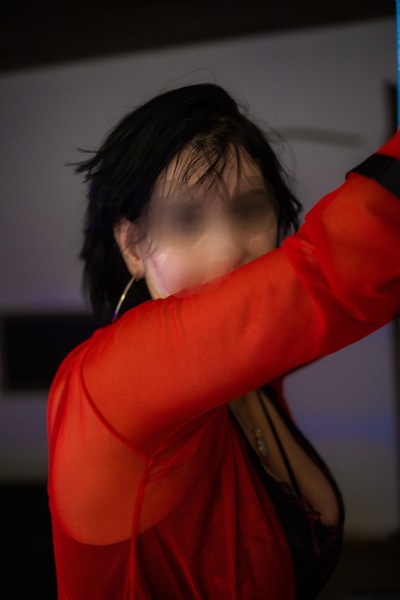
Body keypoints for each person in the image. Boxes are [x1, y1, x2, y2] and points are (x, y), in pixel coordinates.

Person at [47, 83, 400, 600]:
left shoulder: (254, 376)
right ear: (132, 246)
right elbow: (338, 270)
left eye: (249, 210)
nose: (227, 250)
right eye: (185, 218)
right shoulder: (105, 382)